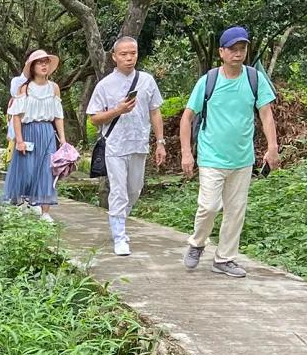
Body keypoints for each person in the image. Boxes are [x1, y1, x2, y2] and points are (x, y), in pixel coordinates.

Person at [179, 26, 278, 278]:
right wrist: (186, 153)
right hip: (211, 156)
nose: (238, 53)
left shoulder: (255, 79)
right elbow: (187, 117)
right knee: (209, 206)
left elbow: (266, 114)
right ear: (221, 52)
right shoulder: (208, 81)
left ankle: (224, 259)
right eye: (232, 49)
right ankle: (197, 243)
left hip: (242, 158)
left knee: (235, 210)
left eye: (242, 48)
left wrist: (272, 147)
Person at [87, 36, 166, 257]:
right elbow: (94, 118)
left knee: (134, 189)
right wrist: (117, 110)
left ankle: (118, 222)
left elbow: (155, 111)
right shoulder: (104, 85)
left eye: (133, 53)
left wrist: (160, 142)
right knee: (119, 191)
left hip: (139, 143)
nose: (129, 58)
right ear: (114, 57)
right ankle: (120, 236)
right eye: (124, 54)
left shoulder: (147, 80)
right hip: (114, 145)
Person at [0, 49, 65, 220]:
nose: (43, 65)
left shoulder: (54, 88)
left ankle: (45, 211)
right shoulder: (25, 88)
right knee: (25, 169)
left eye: (46, 62)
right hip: (28, 131)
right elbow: (17, 117)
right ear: (32, 66)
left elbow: (58, 116)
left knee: (47, 171)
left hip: (47, 132)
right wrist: (19, 140)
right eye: (39, 62)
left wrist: (63, 141)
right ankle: (19, 204)